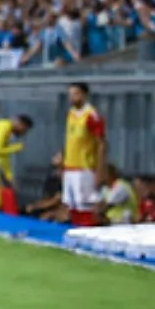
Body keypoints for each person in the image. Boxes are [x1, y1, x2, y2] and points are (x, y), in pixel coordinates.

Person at [62, 82, 107, 227]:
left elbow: (101, 143)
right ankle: (76, 234)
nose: (72, 98)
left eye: (75, 94)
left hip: (84, 167)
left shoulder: (91, 115)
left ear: (84, 95)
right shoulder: (71, 114)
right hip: (70, 166)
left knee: (85, 205)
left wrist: (100, 170)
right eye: (70, 94)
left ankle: (87, 234)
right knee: (72, 205)